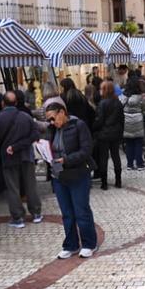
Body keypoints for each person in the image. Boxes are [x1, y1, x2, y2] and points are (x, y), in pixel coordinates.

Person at [44, 102, 98, 259]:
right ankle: (71, 244)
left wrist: (66, 160)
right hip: (59, 175)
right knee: (66, 213)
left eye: (53, 118)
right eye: (49, 120)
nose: (52, 122)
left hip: (78, 174)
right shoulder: (52, 129)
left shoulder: (78, 125)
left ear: (62, 112)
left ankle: (89, 243)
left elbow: (86, 150)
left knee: (81, 210)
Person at [0, 90, 42, 228]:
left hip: (8, 158)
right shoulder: (25, 117)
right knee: (31, 185)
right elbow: (36, 134)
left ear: (2, 103)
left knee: (13, 188)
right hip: (26, 156)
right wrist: (21, 145)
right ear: (16, 102)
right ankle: (36, 213)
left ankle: (18, 218)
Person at [92, 81, 125, 190]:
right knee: (116, 156)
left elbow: (99, 120)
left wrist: (94, 128)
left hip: (104, 134)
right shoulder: (118, 102)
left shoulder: (102, 103)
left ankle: (104, 183)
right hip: (116, 133)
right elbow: (122, 119)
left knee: (103, 158)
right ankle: (118, 181)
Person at [122, 79, 145, 171]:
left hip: (127, 120)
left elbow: (120, 106)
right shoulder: (140, 97)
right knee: (138, 143)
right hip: (138, 120)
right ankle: (139, 164)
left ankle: (129, 164)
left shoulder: (123, 97)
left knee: (129, 144)